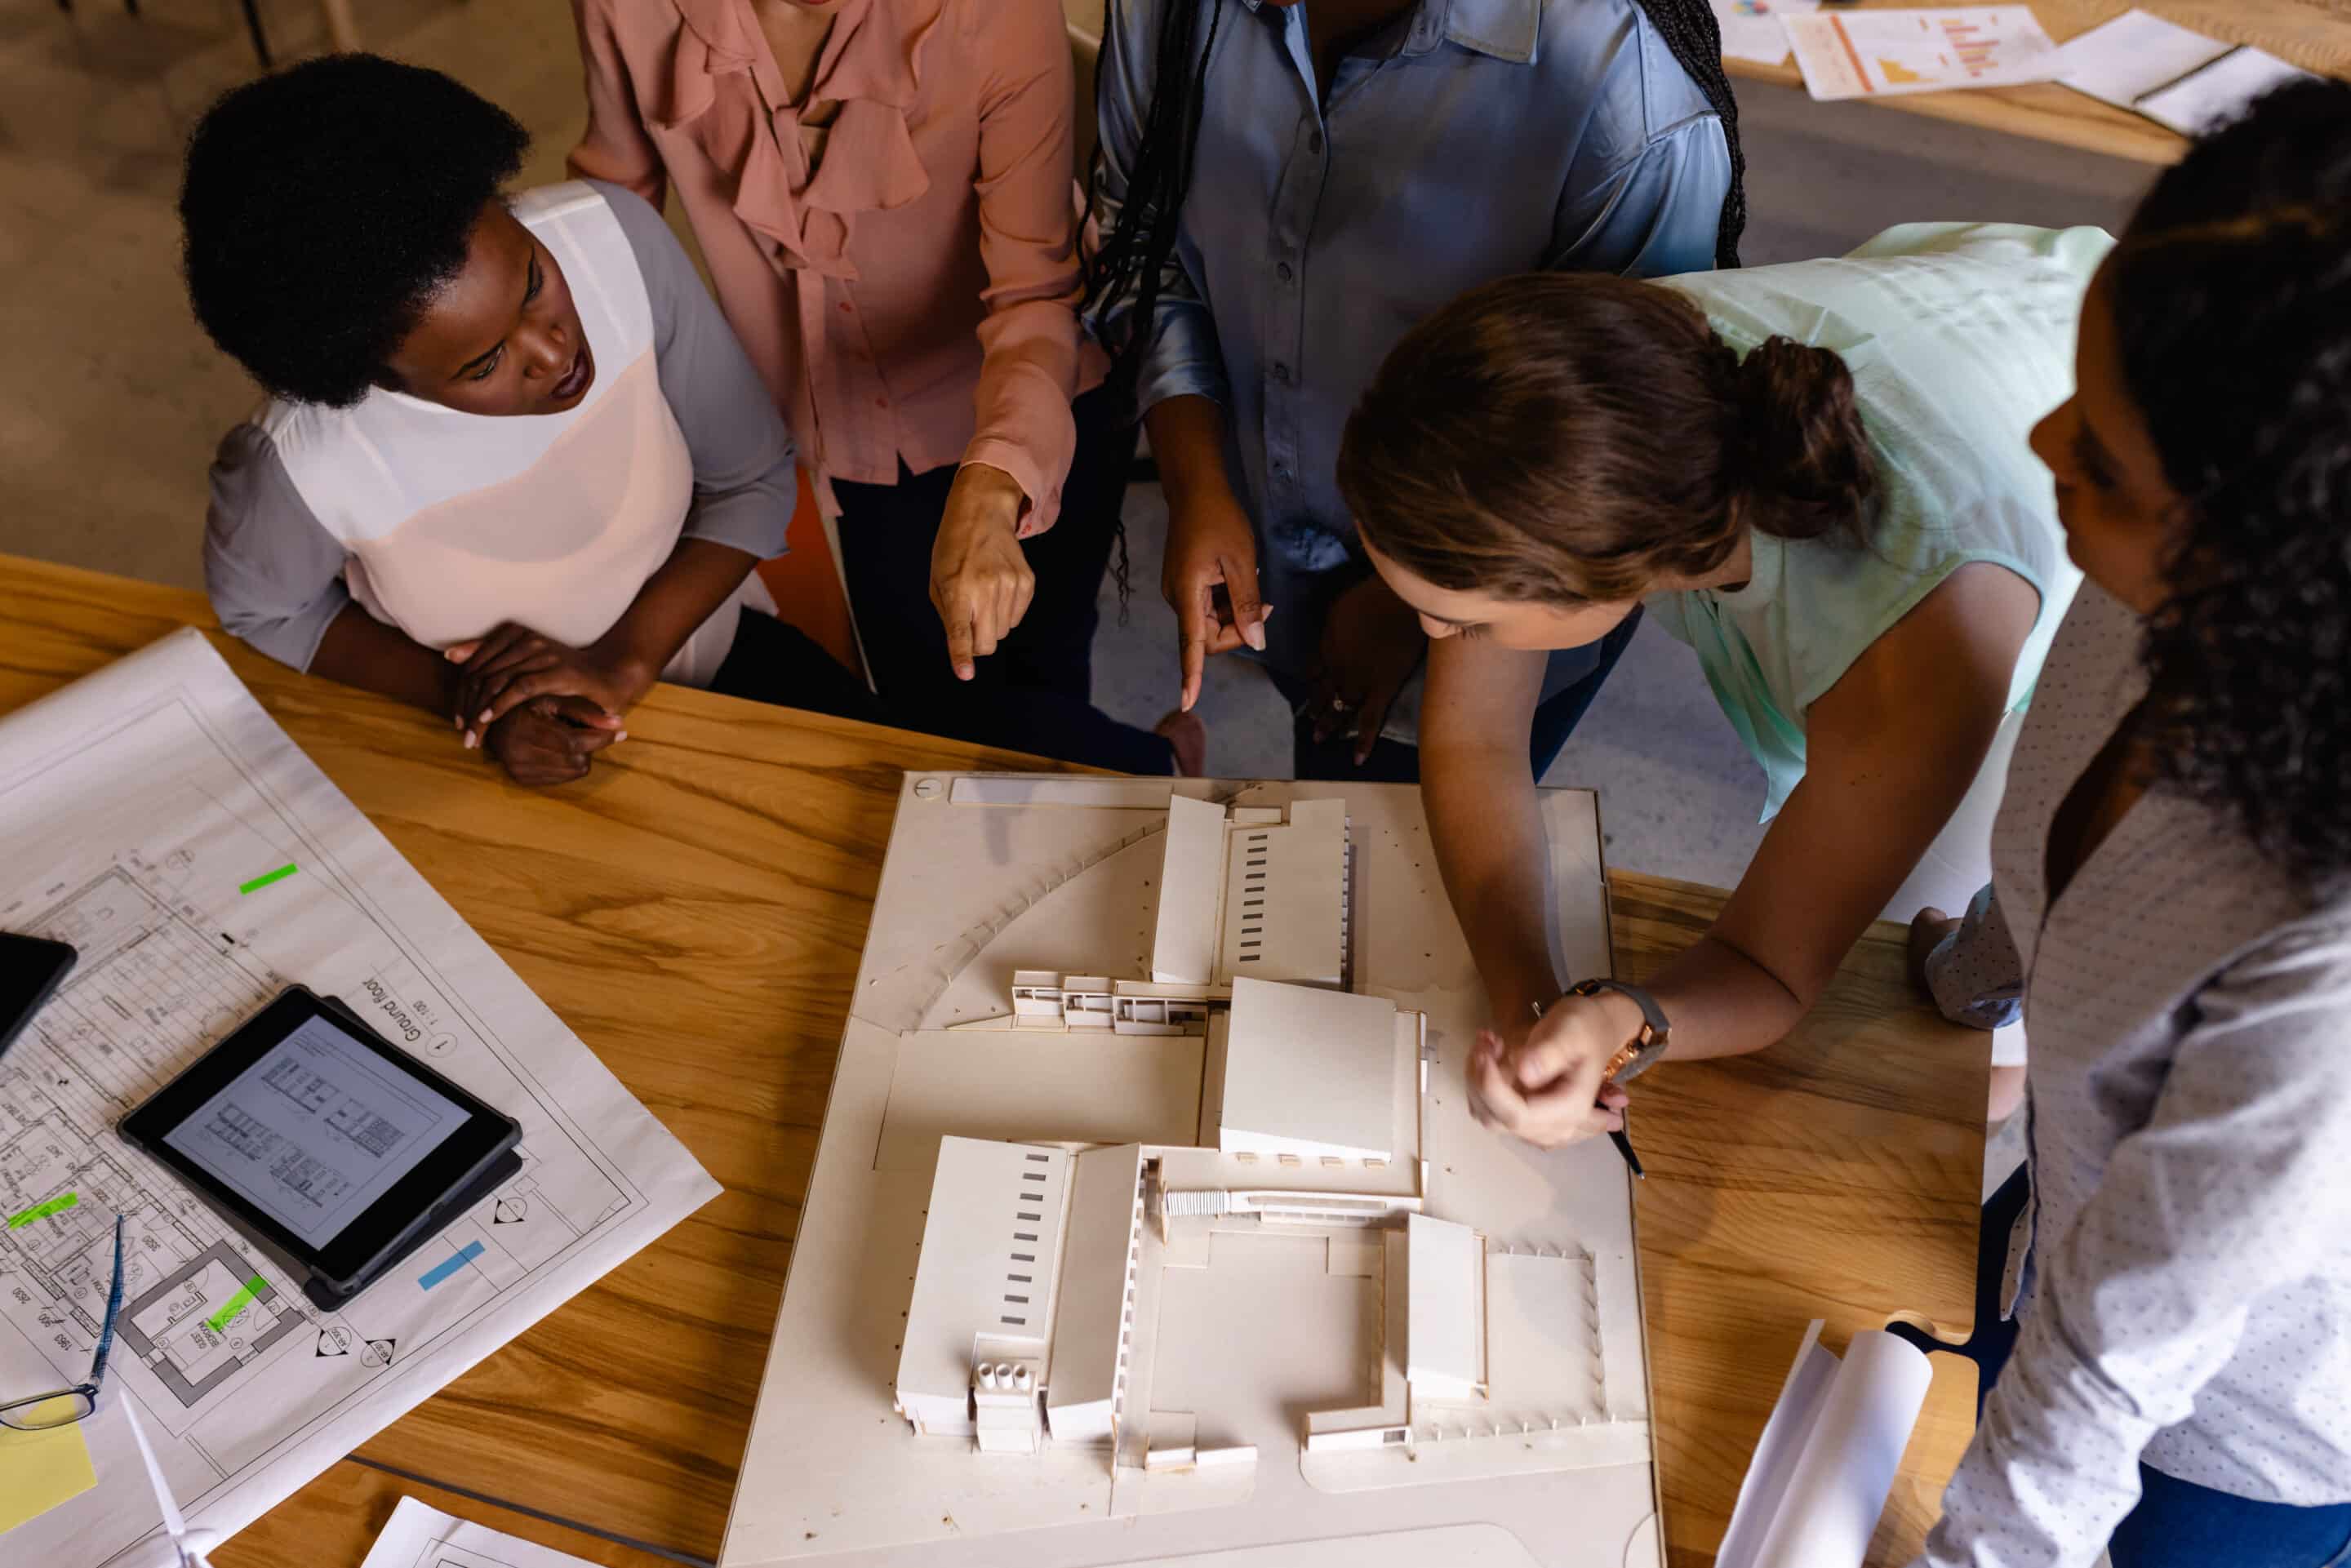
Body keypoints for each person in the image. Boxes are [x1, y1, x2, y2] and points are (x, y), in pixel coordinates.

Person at [1335, 221, 2106, 1138]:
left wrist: (1630, 1021)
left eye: (1465, 621)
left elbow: (1773, 969)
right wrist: (1526, 999)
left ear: (1617, 571)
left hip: (2121, 451)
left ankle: (1996, 1104)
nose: (1432, 635)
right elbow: (1474, 741)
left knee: (1954, 1013)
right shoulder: (1600, 406)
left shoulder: (1922, 643)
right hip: (1984, 331)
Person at [1907, 81, 2351, 1565]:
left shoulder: (2329, 931)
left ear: (2275, 552)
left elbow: (2113, 1363)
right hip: (2067, 1241)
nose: (2044, 441)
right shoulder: (2169, 584)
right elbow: (2080, 880)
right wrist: (1973, 975)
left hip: (2238, 1434)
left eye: (2098, 459)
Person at [1087, 0, 1745, 779]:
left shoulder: (1625, 102)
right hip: (1261, 527)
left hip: (1492, 587)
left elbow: (1618, 447)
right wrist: (1197, 482)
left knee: (1414, 826)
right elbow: (1138, 234)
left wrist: (1410, 605)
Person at [186, 55, 880, 788]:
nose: (552, 352)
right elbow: (267, 614)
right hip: (495, 751)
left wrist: (623, 661)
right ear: (375, 382)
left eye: (535, 282)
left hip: (717, 655)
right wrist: (468, 701)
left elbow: (753, 478)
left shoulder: (618, 243)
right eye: (483, 365)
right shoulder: (301, 464)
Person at [569, 0, 1198, 775]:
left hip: (1044, 397)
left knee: (1043, 669)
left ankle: (1149, 767)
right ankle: (1154, 761)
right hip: (848, 432)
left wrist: (997, 479)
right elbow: (615, 212)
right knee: (922, 711)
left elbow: (1035, 291)